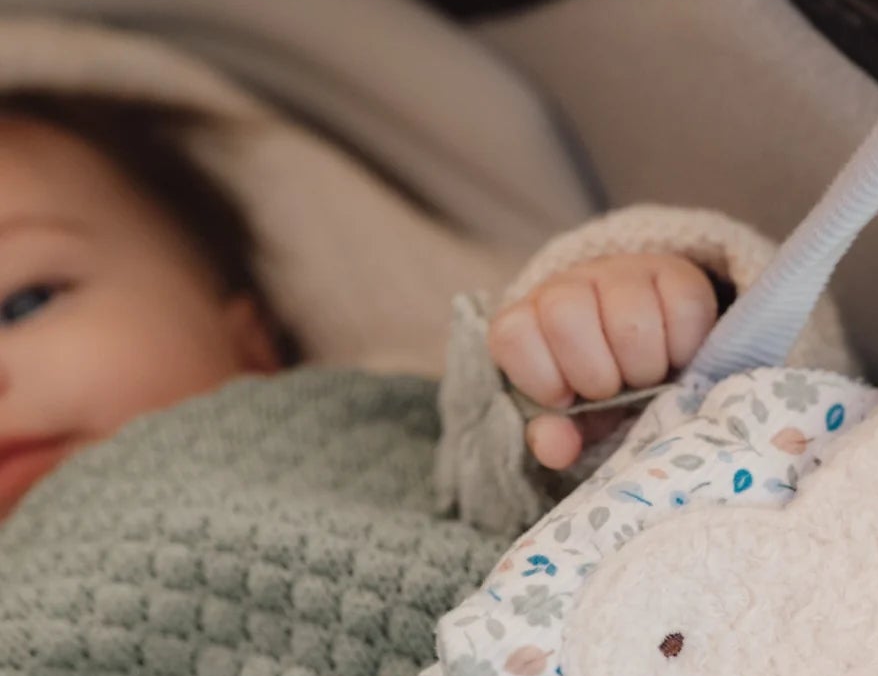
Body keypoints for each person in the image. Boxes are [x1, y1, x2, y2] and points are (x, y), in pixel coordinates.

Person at [0, 89, 723, 522]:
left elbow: (646, 480)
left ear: (251, 340)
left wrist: (602, 347)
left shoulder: (380, 441)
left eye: (22, 302)